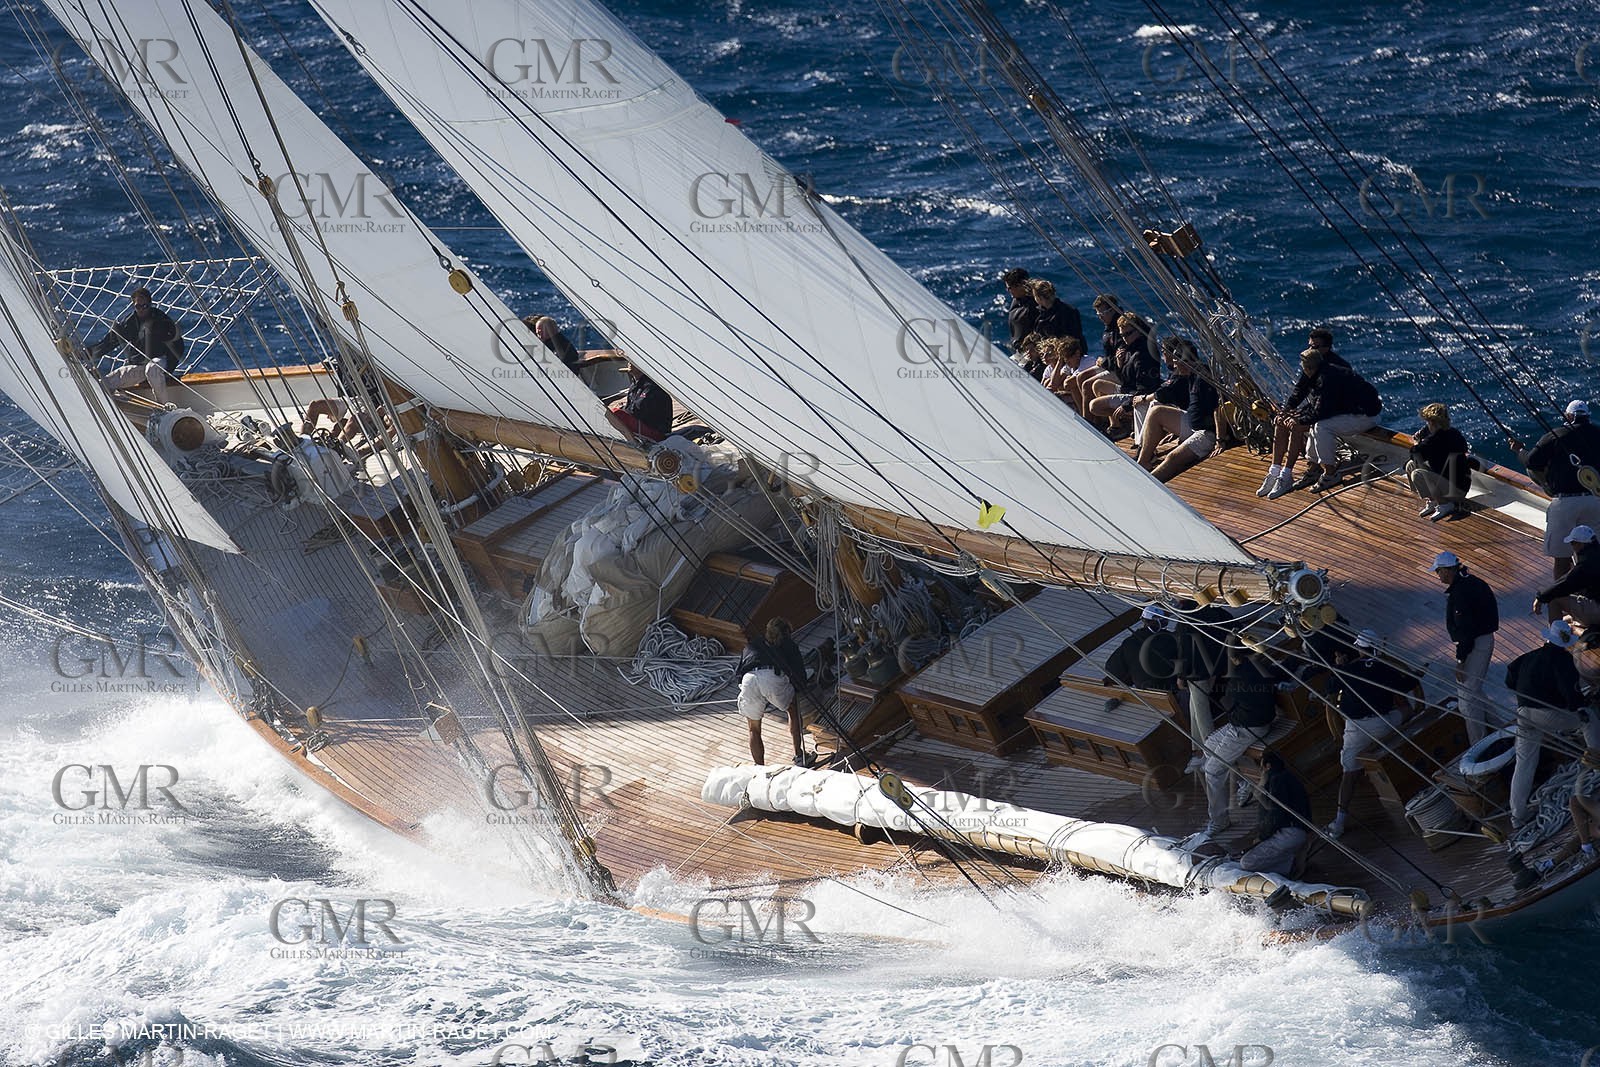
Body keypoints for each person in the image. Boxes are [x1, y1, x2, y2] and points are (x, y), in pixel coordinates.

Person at [1507, 620, 1600, 831]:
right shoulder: (1562, 659)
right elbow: (1572, 695)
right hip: (1544, 713)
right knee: (1589, 720)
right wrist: (1579, 706)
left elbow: (1510, 676)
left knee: (1524, 761)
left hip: (1522, 712)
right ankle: (1597, 765)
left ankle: (1517, 816)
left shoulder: (1528, 657)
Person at [1324, 629, 1417, 840]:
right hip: (1384, 724)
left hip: (1355, 730)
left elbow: (1329, 687)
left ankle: (1339, 822)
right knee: (1407, 711)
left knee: (1349, 773)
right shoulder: (1385, 668)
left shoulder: (1349, 669)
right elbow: (1407, 685)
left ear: (1359, 648)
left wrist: (1339, 666)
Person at [1189, 640, 1283, 843]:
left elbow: (1228, 704)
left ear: (1233, 659)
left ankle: (1220, 820)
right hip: (1249, 723)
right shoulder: (1260, 667)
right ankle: (1245, 783)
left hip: (1248, 729)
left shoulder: (1237, 679)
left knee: (1212, 770)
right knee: (1209, 745)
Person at [1264, 349, 1381, 498]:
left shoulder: (1328, 379)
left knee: (1322, 426)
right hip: (1346, 411)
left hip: (1366, 415)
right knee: (1317, 423)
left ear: (1308, 368)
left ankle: (1331, 474)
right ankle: (1313, 469)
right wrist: (1288, 410)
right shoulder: (1318, 371)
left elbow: (1321, 411)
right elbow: (1301, 391)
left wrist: (1299, 420)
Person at [1256, 328, 1350, 498]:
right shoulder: (1313, 361)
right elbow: (1300, 390)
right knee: (1281, 422)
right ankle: (1274, 471)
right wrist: (1286, 410)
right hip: (1318, 408)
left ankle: (1286, 476)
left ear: (1326, 348)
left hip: (1334, 412)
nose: (1310, 350)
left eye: (1315, 347)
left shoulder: (1336, 368)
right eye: (1309, 346)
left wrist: (1300, 417)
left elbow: (1326, 403)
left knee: (1297, 427)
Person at [1518, 400, 1600, 583]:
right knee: (1593, 555)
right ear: (1587, 416)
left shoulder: (1555, 435)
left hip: (1566, 503)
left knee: (1562, 559)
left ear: (1569, 416)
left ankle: (1564, 601)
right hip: (1595, 501)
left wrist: (1519, 451)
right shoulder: (1598, 433)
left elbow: (1532, 462)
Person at [1429, 550, 1499, 743]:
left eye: (1439, 571)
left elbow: (1466, 630)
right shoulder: (1470, 582)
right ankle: (1499, 725)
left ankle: (1479, 744)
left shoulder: (1460, 592)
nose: (1438, 576)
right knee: (1474, 690)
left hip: (1476, 644)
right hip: (1482, 639)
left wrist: (1460, 660)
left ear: (1447, 571)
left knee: (1467, 700)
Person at [1134, 338, 1220, 482]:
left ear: (1185, 362)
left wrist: (1220, 440)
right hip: (1192, 425)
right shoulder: (1191, 375)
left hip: (1206, 434)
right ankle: (1143, 461)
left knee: (1172, 457)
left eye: (1176, 363)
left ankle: (1148, 484)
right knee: (1157, 412)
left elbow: (1218, 408)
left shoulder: (1203, 379)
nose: (1174, 367)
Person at [83, 287, 183, 405]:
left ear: (150, 304)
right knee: (106, 383)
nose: (141, 310)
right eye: (137, 307)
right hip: (139, 365)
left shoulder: (162, 320)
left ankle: (165, 407)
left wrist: (169, 370)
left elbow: (178, 345)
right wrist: (84, 355)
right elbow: (108, 343)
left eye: (144, 306)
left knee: (152, 369)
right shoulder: (128, 322)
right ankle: (121, 404)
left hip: (161, 361)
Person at [736, 617, 811, 766]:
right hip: (771, 676)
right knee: (792, 709)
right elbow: (799, 674)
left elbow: (739, 671)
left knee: (753, 728)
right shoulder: (788, 644)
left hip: (748, 679)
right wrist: (797, 689)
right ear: (787, 633)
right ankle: (799, 755)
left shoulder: (753, 644)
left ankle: (759, 768)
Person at [1174, 599, 1234, 773]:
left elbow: (1183, 648)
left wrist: (1180, 675)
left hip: (1197, 670)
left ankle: (1211, 753)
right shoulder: (1211, 609)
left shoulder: (1185, 615)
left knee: (1201, 711)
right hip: (1214, 667)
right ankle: (1198, 751)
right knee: (1195, 707)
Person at [1087, 313, 1161, 441]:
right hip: (1130, 390)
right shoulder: (1129, 349)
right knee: (1098, 385)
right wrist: (1120, 365)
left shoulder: (1143, 354)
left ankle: (1124, 420)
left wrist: (1126, 405)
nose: (1125, 338)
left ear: (1138, 330)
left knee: (1094, 406)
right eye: (1122, 335)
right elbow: (1125, 380)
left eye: (1128, 334)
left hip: (1137, 396)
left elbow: (1144, 388)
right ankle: (1119, 423)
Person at [1238, 750, 1312, 875]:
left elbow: (1276, 814)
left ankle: (1291, 865)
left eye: (1261, 766)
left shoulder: (1277, 780)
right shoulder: (1287, 777)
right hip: (1297, 831)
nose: (1260, 770)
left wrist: (1262, 837)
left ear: (1268, 766)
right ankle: (1289, 863)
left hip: (1290, 832)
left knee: (1246, 863)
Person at [1102, 604, 1180, 709]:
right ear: (1160, 621)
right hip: (1172, 692)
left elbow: (1113, 670)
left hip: (1145, 692)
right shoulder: (1172, 640)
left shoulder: (1130, 642)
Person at [1407, 402, 1472, 521]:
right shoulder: (1453, 433)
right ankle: (1433, 500)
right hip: (1457, 483)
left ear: (1432, 422)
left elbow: (1415, 454)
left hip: (1456, 490)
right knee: (1411, 466)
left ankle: (1445, 504)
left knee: (1417, 474)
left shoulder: (1434, 440)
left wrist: (1417, 442)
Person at [1532, 525, 1600, 621]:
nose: (1572, 546)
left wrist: (1541, 598)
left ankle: (1555, 635)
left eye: (1573, 543)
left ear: (1582, 544)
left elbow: (1566, 583)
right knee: (1566, 619)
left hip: (1597, 608)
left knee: (1554, 599)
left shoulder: (1586, 564)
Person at [608, 361, 673, 441]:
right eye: (629, 361)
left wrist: (622, 412)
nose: (630, 363)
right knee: (612, 412)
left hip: (656, 432)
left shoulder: (652, 387)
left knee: (617, 414)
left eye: (633, 361)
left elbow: (639, 411)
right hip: (642, 425)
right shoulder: (635, 386)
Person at [1029, 278, 1086, 350]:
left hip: (1065, 353)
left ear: (1039, 298)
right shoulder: (1041, 312)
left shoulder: (1066, 312)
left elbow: (1072, 338)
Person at [1039, 337, 1085, 403]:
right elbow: (1045, 386)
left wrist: (1060, 360)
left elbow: (1055, 385)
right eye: (1043, 354)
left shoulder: (1069, 365)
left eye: (1049, 353)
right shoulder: (1049, 368)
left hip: (1079, 396)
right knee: (1047, 382)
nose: (1044, 357)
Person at [1002, 268, 1038, 349]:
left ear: (1020, 285)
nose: (1008, 291)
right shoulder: (1016, 300)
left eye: (1010, 288)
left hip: (1032, 351)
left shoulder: (1036, 304)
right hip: (1020, 349)